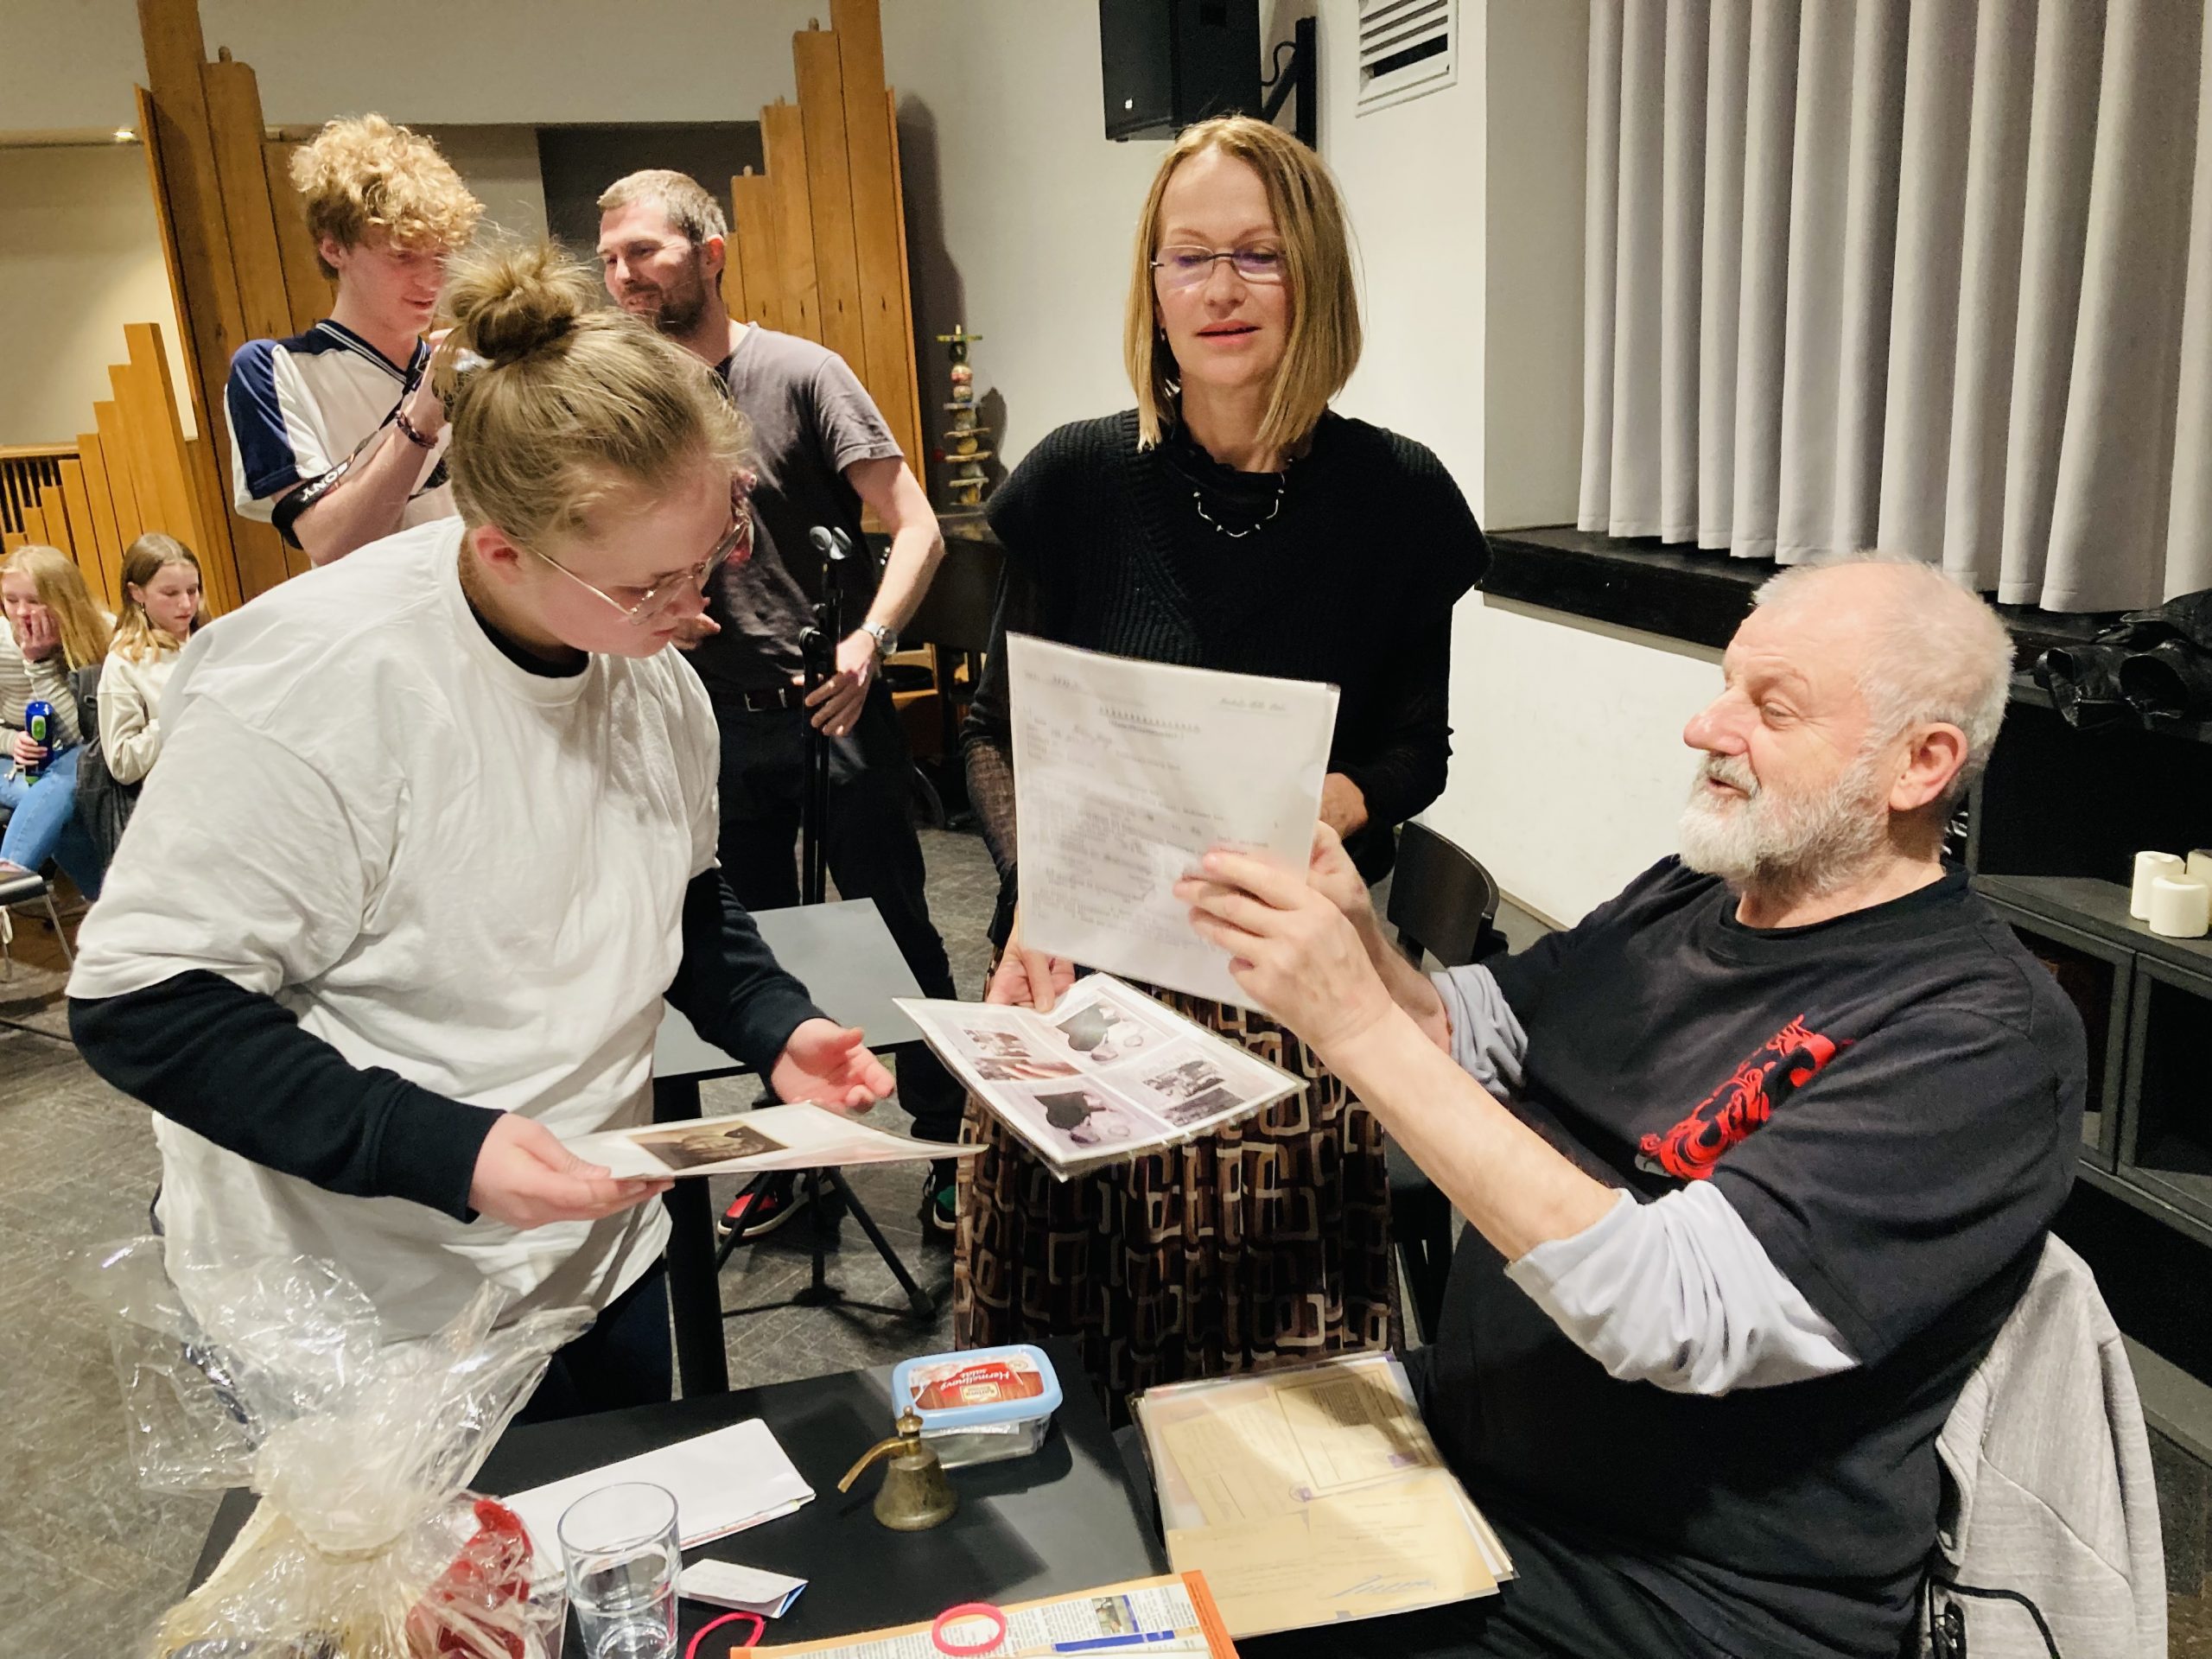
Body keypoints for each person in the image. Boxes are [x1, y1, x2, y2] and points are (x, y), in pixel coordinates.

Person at [1175, 556, 2082, 1659]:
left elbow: (1673, 1313)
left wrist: (1352, 1025)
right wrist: (1358, 940)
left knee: (1189, 1628)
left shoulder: (1975, 1033)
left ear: (1919, 764)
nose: (1706, 727)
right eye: (1724, 685)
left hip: (1685, 1592)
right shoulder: (1692, 895)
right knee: (1146, 1497)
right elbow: (1475, 1031)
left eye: (1771, 707)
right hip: (1482, 1453)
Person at [69, 243, 895, 1421]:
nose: (697, 607)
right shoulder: (314, 687)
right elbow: (141, 1001)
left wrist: (774, 1022)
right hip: (365, 1301)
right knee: (428, 1604)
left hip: (592, 1247)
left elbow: (678, 886)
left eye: (715, 547)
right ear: (500, 545)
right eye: (651, 583)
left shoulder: (649, 663)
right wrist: (439, 1146)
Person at [956, 116, 1488, 1416]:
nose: (1218, 289)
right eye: (1185, 258)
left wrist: (1327, 800)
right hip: (1087, 950)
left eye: (1256, 255)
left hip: (1288, 963)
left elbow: (1417, 747)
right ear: (1151, 285)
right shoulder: (1081, 478)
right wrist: (1045, 891)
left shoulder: (1395, 495)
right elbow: (992, 728)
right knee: (1051, 1372)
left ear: (1313, 276)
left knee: (1276, 1388)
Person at [595, 168, 968, 1239]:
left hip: (830, 705)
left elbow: (918, 525)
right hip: (702, 723)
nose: (623, 275)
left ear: (709, 253)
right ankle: (797, 1150)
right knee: (759, 954)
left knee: (897, 933)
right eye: (609, 256)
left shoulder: (800, 373)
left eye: (646, 253)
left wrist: (870, 645)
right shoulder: (628, 396)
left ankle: (949, 1141)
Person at [225, 115, 482, 564]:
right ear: (334, 249)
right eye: (403, 257)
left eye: (440, 256)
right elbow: (330, 543)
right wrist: (420, 419)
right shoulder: (273, 368)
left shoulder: (468, 365)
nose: (429, 280)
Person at [1, 545, 112, 899]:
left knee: (70, 781)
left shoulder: (102, 633)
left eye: (33, 600)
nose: (21, 613)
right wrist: (9, 742)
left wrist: (39, 664)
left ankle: (11, 873)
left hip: (73, 758)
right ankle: (107, 903)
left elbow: (82, 733)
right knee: (61, 798)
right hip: (10, 760)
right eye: (10, 600)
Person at [99, 534, 208, 786]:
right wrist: (177, 715)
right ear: (137, 593)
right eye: (170, 593)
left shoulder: (209, 638)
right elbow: (122, 762)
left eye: (193, 591)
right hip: (178, 794)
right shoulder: (124, 661)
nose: (186, 604)